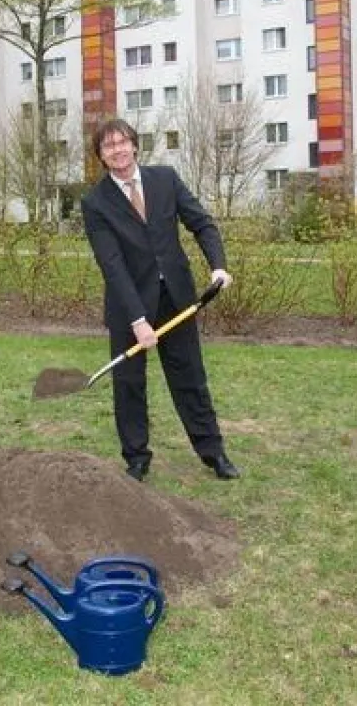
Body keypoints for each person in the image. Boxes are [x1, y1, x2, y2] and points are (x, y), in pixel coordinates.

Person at [81, 118, 241, 483]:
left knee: (190, 378)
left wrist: (218, 266)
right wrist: (138, 321)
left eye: (123, 142)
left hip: (176, 299)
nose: (118, 150)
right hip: (128, 304)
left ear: (135, 145)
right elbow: (112, 264)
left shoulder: (165, 179)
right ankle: (137, 458)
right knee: (129, 383)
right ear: (101, 157)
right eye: (108, 146)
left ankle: (213, 452)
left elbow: (202, 223)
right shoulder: (95, 203)